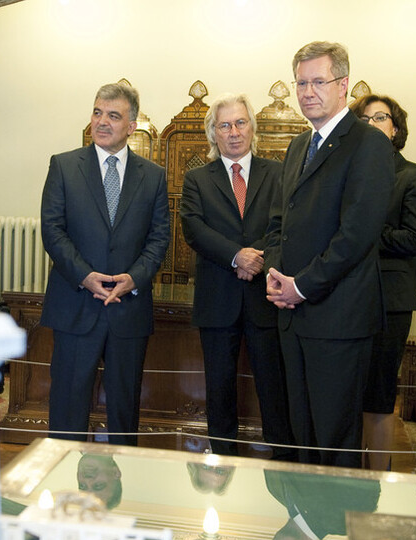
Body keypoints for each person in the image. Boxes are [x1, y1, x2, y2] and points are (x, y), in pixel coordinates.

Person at [263, 41, 395, 467]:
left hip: (338, 317)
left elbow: (356, 235)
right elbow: (279, 222)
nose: (307, 92)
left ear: (343, 86)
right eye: (301, 82)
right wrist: (275, 273)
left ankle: (335, 532)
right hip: (293, 314)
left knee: (334, 439)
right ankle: (307, 525)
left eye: (318, 81)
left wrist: (301, 286)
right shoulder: (299, 145)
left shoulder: (368, 144)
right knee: (301, 431)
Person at [40, 83, 170, 446]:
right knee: (67, 406)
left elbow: (159, 237)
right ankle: (61, 486)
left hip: (128, 309)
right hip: (76, 304)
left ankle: (122, 488)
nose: (102, 121)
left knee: (124, 411)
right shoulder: (64, 166)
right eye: (98, 112)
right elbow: (53, 230)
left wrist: (135, 277)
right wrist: (85, 275)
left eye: (113, 115)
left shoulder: (153, 175)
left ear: (132, 125)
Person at [179, 93, 292, 459]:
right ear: (213, 133)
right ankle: (223, 462)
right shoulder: (197, 178)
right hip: (218, 300)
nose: (233, 132)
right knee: (220, 389)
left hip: (267, 297)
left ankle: (283, 468)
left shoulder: (277, 173)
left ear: (252, 128)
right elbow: (194, 228)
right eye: (224, 125)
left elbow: (284, 226)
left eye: (240, 123)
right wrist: (235, 256)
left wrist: (256, 258)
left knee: (273, 390)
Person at [350, 94, 416, 471]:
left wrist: (368, 233)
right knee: (349, 393)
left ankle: (375, 483)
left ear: (395, 128)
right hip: (347, 295)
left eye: (380, 118)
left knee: (379, 394)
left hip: (389, 299)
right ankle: (346, 478)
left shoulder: (414, 175)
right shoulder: (351, 172)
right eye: (364, 120)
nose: (372, 125)